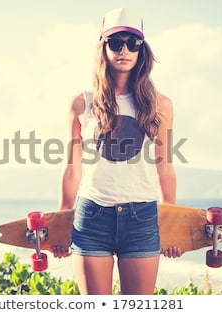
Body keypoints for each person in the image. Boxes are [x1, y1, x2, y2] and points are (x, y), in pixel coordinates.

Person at [54, 7, 181, 295]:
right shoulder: (81, 103)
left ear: (141, 50)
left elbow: (164, 166)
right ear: (103, 48)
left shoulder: (160, 105)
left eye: (132, 43)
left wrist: (174, 221)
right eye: (115, 42)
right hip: (92, 217)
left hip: (142, 217)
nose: (123, 50)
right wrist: (62, 218)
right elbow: (73, 168)